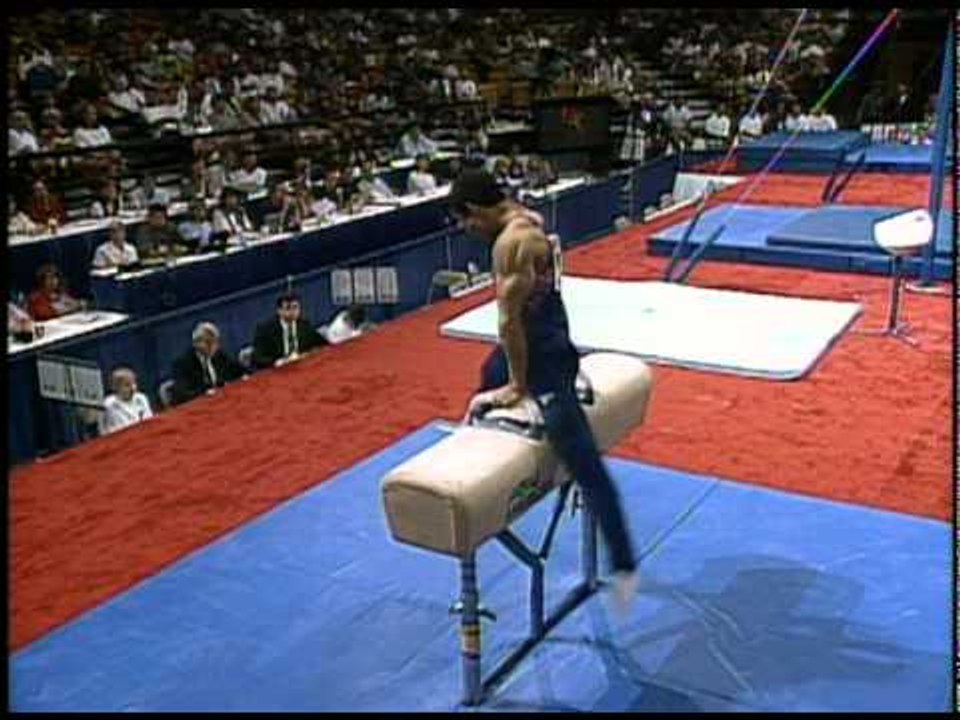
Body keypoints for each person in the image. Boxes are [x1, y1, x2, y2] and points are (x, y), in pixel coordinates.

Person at [447, 169, 639, 613]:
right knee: (482, 387)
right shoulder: (524, 219)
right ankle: (476, 484)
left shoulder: (510, 245)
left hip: (547, 358)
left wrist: (517, 385)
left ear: (475, 210)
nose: (466, 232)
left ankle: (625, 563)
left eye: (465, 222)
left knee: (585, 463)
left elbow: (508, 323)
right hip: (529, 340)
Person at [170, 321, 245, 406]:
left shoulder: (218, 355)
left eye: (215, 342)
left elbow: (238, 370)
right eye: (209, 342)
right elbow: (184, 394)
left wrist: (245, 375)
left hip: (219, 403)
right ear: (196, 343)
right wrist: (205, 393)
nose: (215, 346)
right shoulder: (182, 364)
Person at [251, 292, 327, 369]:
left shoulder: (304, 325)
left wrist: (310, 353)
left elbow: (322, 344)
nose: (292, 312)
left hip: (301, 367)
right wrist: (277, 362)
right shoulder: (265, 329)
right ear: (279, 311)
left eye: (295, 307)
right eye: (288, 308)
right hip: (278, 371)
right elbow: (257, 358)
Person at [99, 366, 153, 435]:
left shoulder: (141, 398)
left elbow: (150, 422)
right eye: (127, 385)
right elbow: (103, 431)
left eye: (134, 383)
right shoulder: (108, 405)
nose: (133, 388)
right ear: (115, 387)